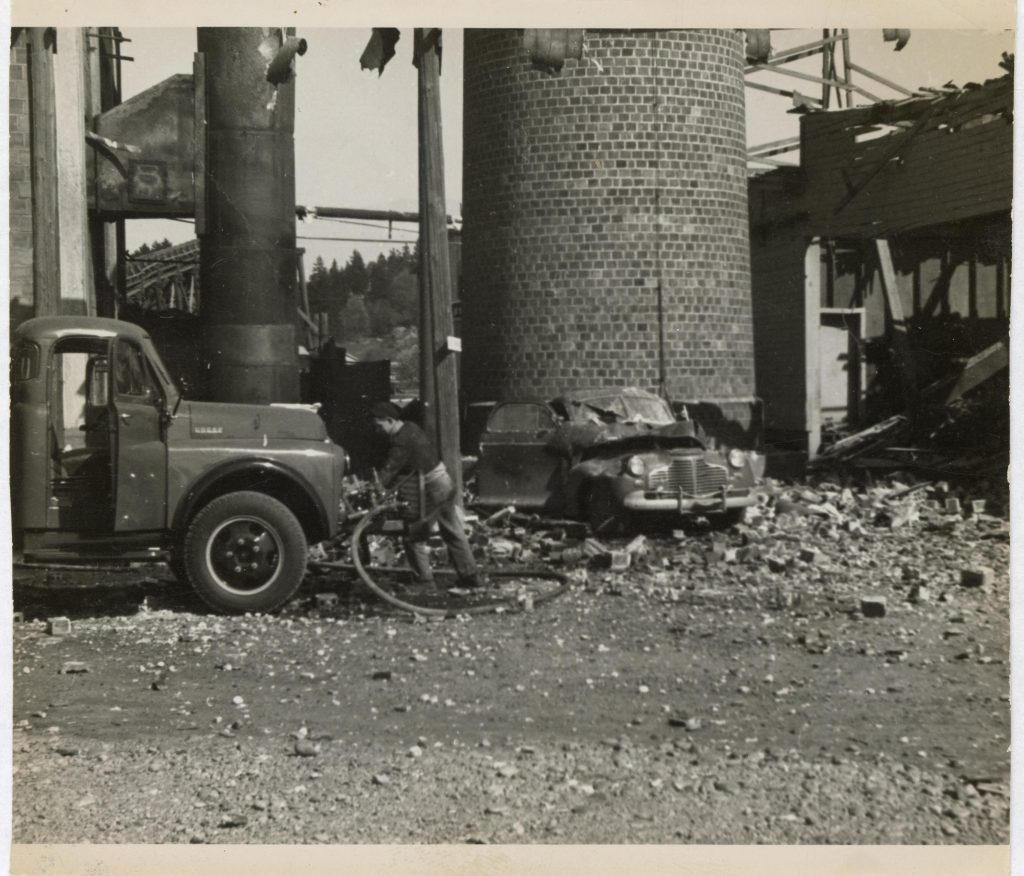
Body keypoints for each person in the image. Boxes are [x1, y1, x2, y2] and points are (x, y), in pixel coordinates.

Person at [370, 401, 484, 591]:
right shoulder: (411, 427)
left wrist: (376, 487)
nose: (377, 431)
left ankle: (425, 583)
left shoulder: (401, 440)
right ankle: (471, 577)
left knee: (413, 534)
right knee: (452, 530)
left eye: (379, 426)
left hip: (432, 487)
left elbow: (392, 468)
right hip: (444, 481)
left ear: (390, 420)